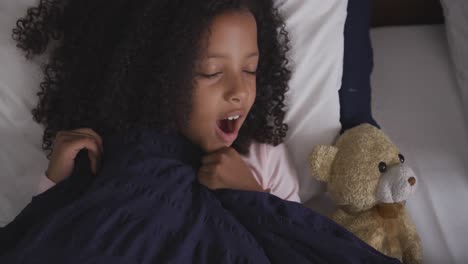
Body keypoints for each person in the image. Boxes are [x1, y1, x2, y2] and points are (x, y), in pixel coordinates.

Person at [13, 0, 300, 203]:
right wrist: (55, 182)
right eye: (211, 72)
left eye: (250, 69)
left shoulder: (264, 158)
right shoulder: (107, 152)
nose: (239, 90)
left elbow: (303, 241)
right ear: (158, 75)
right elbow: (53, 242)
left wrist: (252, 195)